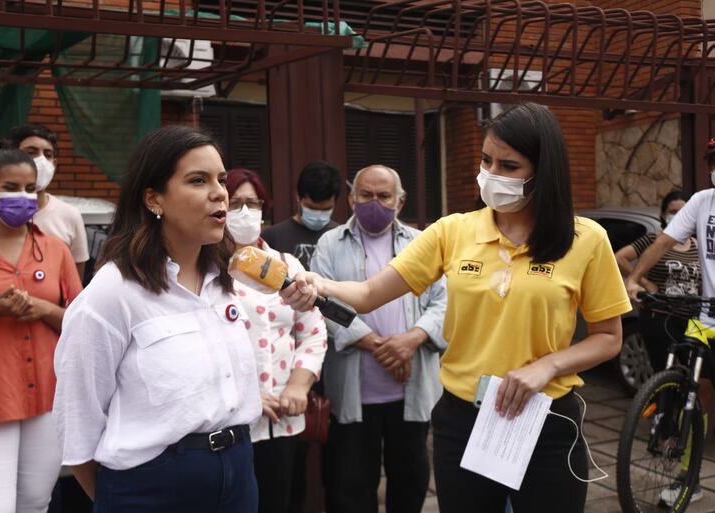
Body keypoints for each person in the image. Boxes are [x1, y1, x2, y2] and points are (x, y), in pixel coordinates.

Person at [282, 103, 631, 513]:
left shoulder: (586, 239)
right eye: (486, 160)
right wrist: (317, 282)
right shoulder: (454, 230)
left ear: (543, 171)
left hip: (546, 419)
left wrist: (549, 366)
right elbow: (368, 293)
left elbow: (608, 338)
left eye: (509, 165)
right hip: (463, 418)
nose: (491, 173)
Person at [52, 126, 266, 513]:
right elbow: (77, 419)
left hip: (238, 473)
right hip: (151, 488)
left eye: (221, 179)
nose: (220, 192)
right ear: (154, 198)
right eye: (198, 180)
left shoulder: (227, 281)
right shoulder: (112, 292)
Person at [0, 148, 83, 513]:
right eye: (11, 187)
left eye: (30, 189)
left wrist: (44, 310)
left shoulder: (55, 251)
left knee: (36, 502)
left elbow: (82, 321)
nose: (23, 197)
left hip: (48, 396)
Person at [310, 164, 447, 513]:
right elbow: (323, 305)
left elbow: (445, 300)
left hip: (411, 386)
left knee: (411, 481)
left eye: (384, 196)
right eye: (366, 195)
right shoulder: (329, 243)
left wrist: (412, 340)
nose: (375, 203)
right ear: (352, 198)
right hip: (355, 391)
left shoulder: (423, 242)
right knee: (351, 487)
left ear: (400, 202)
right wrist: (379, 345)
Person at [224, 167, 328, 513]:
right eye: (235, 202)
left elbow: (313, 330)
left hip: (285, 419)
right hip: (233, 426)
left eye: (252, 204)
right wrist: (247, 397)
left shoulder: (285, 264)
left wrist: (299, 386)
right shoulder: (207, 271)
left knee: (285, 502)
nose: (244, 212)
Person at [625, 140, 715, 506]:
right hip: (706, 317)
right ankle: (688, 479)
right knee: (698, 397)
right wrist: (636, 278)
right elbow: (663, 241)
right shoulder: (702, 201)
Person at [0, 124, 90, 277]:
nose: (41, 160)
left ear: (54, 163)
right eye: (31, 152)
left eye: (47, 154)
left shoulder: (70, 215)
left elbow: (74, 287)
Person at [614, 191, 701, 372]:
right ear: (663, 215)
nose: (678, 216)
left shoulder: (697, 245)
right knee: (662, 370)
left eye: (683, 212)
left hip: (692, 318)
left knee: (696, 371)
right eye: (673, 211)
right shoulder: (655, 241)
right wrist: (645, 283)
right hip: (659, 315)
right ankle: (662, 400)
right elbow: (619, 257)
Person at [261, 160, 341, 269]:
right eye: (311, 207)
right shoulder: (272, 237)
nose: (318, 215)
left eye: (326, 209)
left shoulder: (343, 237)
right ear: (298, 196)